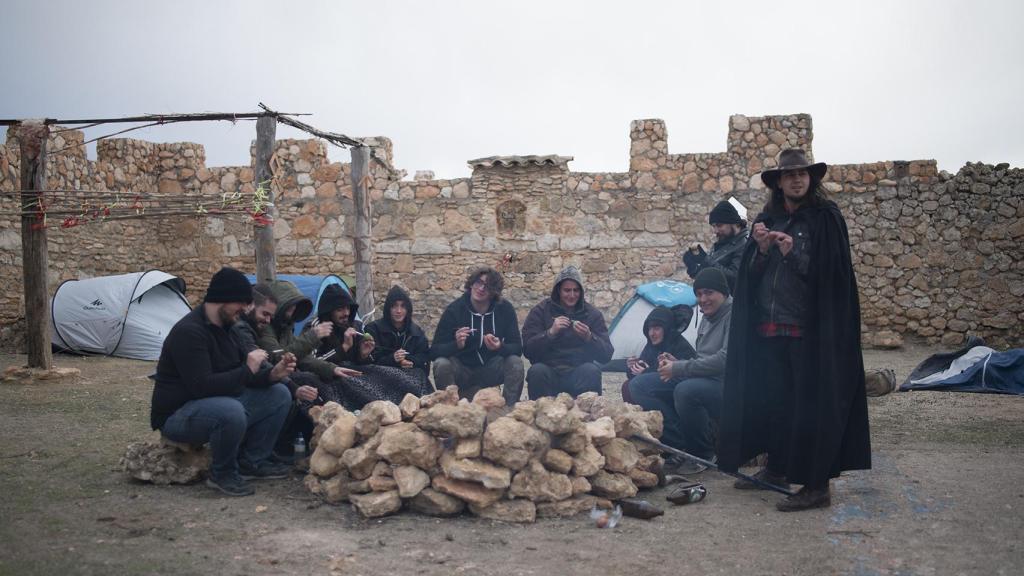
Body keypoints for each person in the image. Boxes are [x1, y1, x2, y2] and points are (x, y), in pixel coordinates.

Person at [718, 149, 871, 512]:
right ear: (779, 183)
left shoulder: (825, 219)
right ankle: (778, 468)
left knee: (810, 407)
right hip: (770, 329)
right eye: (790, 176)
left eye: (802, 174)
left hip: (810, 331)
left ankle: (817, 486)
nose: (797, 180)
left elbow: (832, 277)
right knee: (775, 402)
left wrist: (792, 254)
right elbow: (752, 278)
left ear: (811, 179)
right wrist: (760, 250)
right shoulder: (767, 219)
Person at [150, 267, 296, 497]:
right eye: (241, 303)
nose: (245, 309)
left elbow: (241, 376)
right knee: (231, 410)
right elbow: (201, 386)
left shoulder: (228, 329)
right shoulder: (189, 332)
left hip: (214, 404)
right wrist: (248, 368)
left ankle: (251, 462)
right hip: (177, 414)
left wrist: (271, 375)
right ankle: (223, 473)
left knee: (279, 394)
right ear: (224, 299)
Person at [630, 268, 733, 475]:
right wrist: (679, 362)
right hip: (703, 376)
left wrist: (680, 367)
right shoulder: (706, 317)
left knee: (686, 389)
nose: (703, 299)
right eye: (699, 294)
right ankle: (680, 443)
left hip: (727, 384)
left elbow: (725, 359)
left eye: (708, 292)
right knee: (638, 385)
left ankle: (702, 453)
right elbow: (702, 359)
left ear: (723, 292)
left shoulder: (734, 316)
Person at [230, 283, 318, 460]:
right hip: (229, 395)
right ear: (249, 306)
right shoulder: (243, 329)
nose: (268, 320)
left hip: (240, 385)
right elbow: (270, 359)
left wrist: (333, 368)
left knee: (302, 383)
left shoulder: (272, 327)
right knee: (281, 393)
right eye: (265, 314)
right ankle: (255, 456)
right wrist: (293, 387)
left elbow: (292, 359)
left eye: (270, 315)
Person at [308, 284, 432, 408]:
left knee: (394, 375)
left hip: (355, 372)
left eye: (347, 308)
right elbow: (310, 363)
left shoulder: (355, 326)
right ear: (329, 311)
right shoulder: (317, 327)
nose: (346, 313)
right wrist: (344, 347)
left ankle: (401, 405)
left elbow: (364, 362)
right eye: (340, 310)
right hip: (331, 375)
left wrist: (364, 354)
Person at [430, 267, 524, 404]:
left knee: (515, 363)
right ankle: (449, 407)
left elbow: (517, 348)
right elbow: (434, 352)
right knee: (441, 364)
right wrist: (456, 345)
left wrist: (500, 347)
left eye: (487, 286)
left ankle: (509, 409)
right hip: (462, 369)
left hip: (491, 369)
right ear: (471, 283)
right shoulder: (455, 310)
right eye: (478, 283)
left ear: (494, 292)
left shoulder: (505, 309)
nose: (481, 289)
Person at [522, 266, 613, 399]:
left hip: (579, 371)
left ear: (581, 292)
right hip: (549, 370)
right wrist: (550, 333)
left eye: (576, 290)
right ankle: (540, 413)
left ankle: (587, 415)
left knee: (591, 370)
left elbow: (606, 355)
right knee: (537, 371)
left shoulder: (592, 314)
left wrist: (589, 337)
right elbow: (528, 350)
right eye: (567, 290)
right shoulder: (541, 311)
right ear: (558, 290)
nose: (572, 295)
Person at [620, 304, 695, 404]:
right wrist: (633, 368)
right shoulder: (651, 346)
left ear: (667, 329)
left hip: (676, 393)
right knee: (627, 386)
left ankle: (669, 419)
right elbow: (640, 371)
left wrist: (646, 372)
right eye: (650, 329)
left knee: (637, 385)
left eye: (656, 328)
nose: (651, 333)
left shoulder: (681, 347)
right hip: (652, 388)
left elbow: (683, 378)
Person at [364, 285, 432, 394]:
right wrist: (392, 359)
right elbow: (368, 360)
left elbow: (425, 358)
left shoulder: (416, 332)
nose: (399, 311)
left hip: (410, 377)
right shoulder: (373, 329)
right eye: (394, 306)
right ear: (388, 308)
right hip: (382, 379)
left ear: (408, 309)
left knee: (420, 376)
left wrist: (410, 361)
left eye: (403, 306)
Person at [683, 200, 750, 291]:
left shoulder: (744, 244)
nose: (716, 231)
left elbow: (735, 278)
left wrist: (706, 259)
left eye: (719, 225)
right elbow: (708, 278)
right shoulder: (723, 241)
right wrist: (693, 266)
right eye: (713, 226)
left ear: (733, 223)